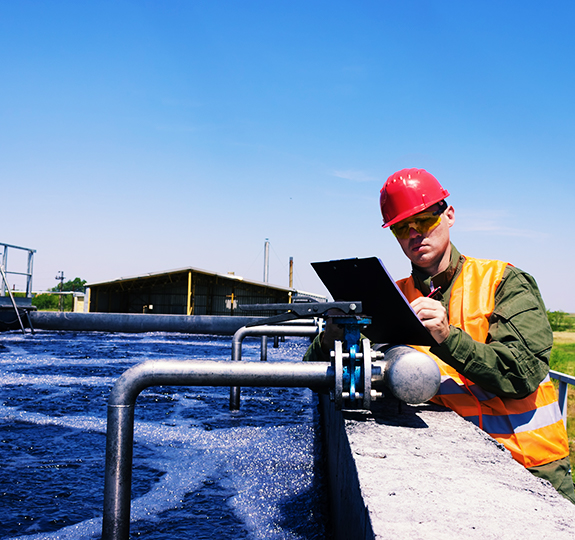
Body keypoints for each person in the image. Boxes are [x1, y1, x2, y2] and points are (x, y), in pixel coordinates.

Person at [304, 167, 574, 503]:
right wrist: (331, 338)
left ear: (449, 215)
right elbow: (316, 378)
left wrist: (448, 337)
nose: (414, 233)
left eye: (424, 220)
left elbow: (523, 373)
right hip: (451, 468)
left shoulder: (503, 281)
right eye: (402, 227)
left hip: (531, 468)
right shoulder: (393, 298)